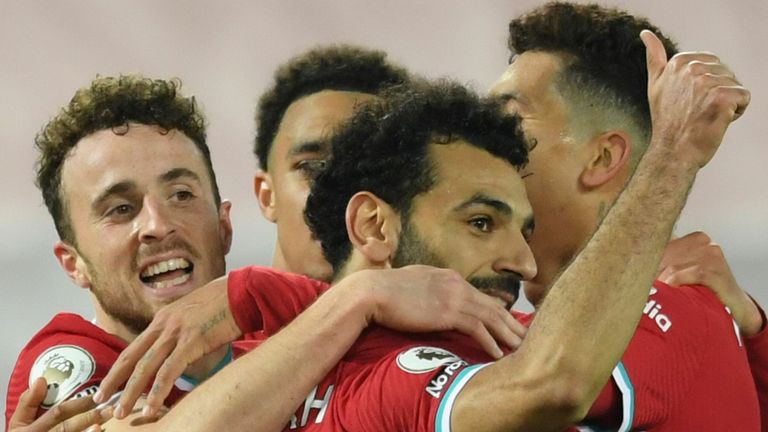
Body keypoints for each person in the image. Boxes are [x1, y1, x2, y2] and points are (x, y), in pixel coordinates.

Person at [95, 29, 750, 427]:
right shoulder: (398, 370)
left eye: (519, 227)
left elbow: (554, 375)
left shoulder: (489, 343)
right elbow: (548, 379)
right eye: (482, 221)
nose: (520, 262)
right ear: (373, 222)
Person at [5, 74, 519, 432]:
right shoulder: (69, 362)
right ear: (72, 263)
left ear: (225, 226)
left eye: (182, 194)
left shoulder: (292, 330)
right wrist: (361, 296)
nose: (158, 225)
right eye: (120, 209)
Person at [488, 2, 767, 428]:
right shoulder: (511, 333)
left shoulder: (670, 311)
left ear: (602, 158)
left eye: (504, 121)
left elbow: (545, 387)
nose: (478, 143)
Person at [253, 44, 410, 281]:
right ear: (267, 196)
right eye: (312, 167)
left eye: (366, 167)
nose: (340, 192)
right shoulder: (203, 313)